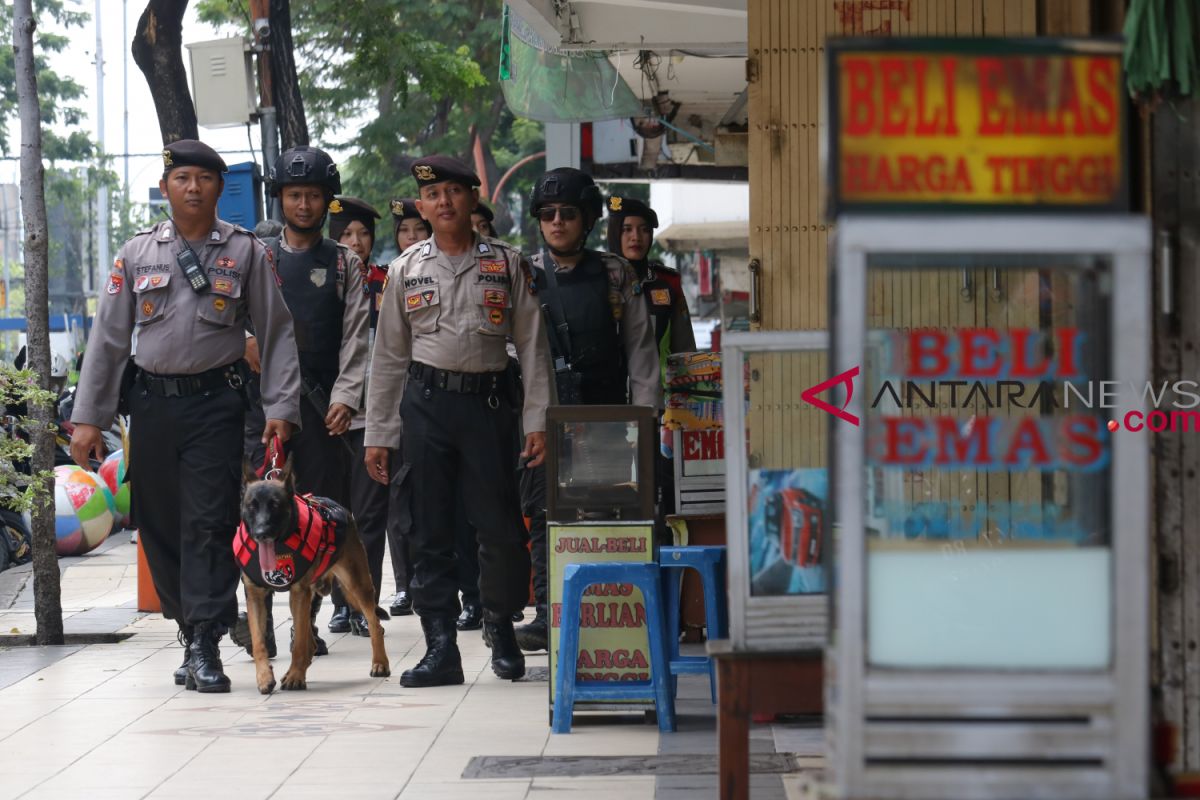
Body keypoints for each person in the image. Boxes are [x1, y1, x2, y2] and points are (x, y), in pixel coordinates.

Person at [69, 139, 301, 692]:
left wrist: (282, 407)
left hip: (215, 405)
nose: (193, 188)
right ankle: (188, 625)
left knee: (207, 520)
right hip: (150, 408)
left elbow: (276, 331)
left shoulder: (245, 252)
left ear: (219, 188)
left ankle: (205, 639)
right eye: (182, 179)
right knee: (159, 523)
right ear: (166, 188)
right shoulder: (136, 253)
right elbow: (107, 339)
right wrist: (87, 418)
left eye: (203, 178)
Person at [364, 155, 551, 687]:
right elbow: (389, 359)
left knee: (498, 528)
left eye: (454, 191)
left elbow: (533, 348)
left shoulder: (508, 265)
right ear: (422, 207)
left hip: (490, 407)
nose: (444, 202)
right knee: (429, 528)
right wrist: (379, 433)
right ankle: (440, 645)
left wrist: (537, 420)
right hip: (426, 408)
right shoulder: (405, 270)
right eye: (434, 195)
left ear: (473, 199)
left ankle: (501, 626)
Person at [514, 168, 660, 653]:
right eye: (548, 214)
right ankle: (544, 611)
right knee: (544, 515)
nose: (557, 222)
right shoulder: (524, 274)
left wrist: (645, 420)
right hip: (545, 422)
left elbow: (640, 353)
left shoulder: (617, 274)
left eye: (568, 214)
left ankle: (611, 607)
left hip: (608, 419)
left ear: (590, 220)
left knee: (608, 517)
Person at [242, 146, 370, 649]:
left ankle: (306, 625)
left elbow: (357, 337)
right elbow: (226, 314)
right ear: (280, 198)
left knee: (313, 518)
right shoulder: (257, 256)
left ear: (327, 201)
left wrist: (346, 396)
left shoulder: (344, 264)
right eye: (294, 195)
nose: (303, 204)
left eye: (313, 195)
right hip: (262, 407)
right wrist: (242, 343)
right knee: (260, 515)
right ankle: (260, 627)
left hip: (322, 411)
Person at [605, 195, 696, 534]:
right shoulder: (597, 279)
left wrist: (682, 414)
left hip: (658, 412)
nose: (635, 237)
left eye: (643, 230)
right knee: (613, 495)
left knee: (662, 497)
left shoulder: (667, 284)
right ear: (614, 232)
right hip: (607, 407)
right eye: (626, 229)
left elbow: (684, 351)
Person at [326, 196, 392, 634]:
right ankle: (337, 604)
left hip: (374, 416)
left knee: (370, 517)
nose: (355, 242)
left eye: (363, 234)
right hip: (331, 416)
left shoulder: (388, 281)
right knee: (332, 514)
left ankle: (366, 602)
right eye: (346, 234)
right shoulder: (319, 280)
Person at [383, 197, 431, 617]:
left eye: (419, 230)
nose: (411, 238)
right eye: (404, 231)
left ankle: (437, 581)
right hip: (397, 405)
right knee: (398, 502)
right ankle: (403, 584)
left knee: (432, 497)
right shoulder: (387, 278)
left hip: (434, 402)